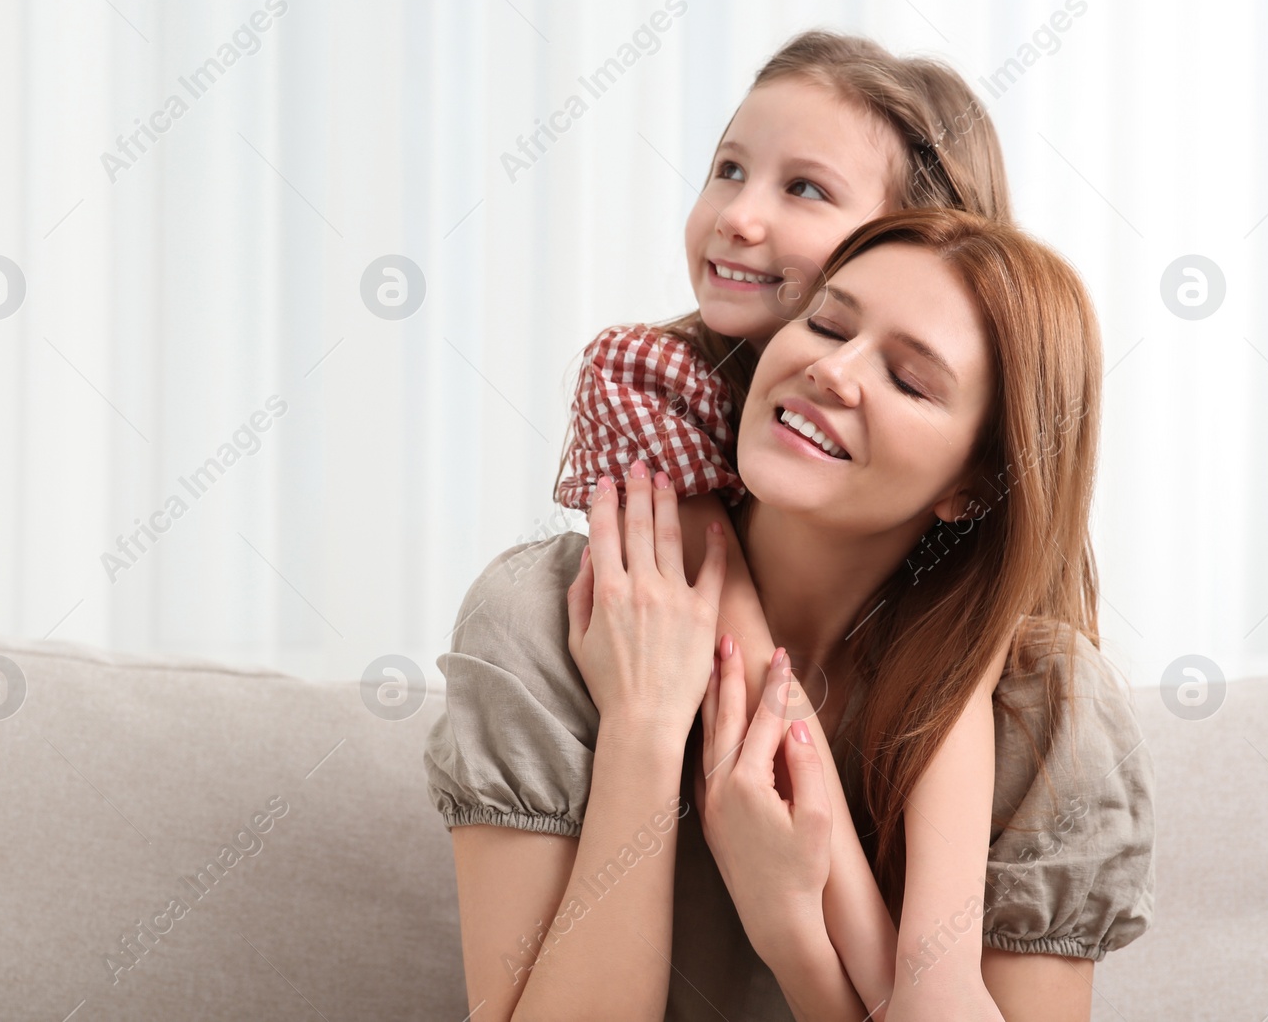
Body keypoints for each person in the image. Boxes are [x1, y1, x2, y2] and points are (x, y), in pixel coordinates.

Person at [427, 209, 1154, 1020]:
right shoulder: (547, 619)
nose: (834, 372)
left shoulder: (1046, 715)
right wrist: (644, 730)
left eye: (909, 381)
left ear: (971, 488)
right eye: (826, 322)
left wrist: (795, 938)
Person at [551, 29, 1027, 1010]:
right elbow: (750, 673)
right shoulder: (648, 378)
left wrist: (882, 965)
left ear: (918, 237)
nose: (738, 216)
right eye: (728, 168)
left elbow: (966, 658)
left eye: (802, 188)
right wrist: (851, 931)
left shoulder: (966, 552)